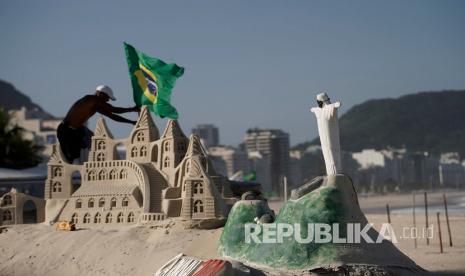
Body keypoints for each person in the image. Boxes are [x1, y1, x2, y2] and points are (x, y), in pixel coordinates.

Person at [57, 85, 139, 163]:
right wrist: (131, 109)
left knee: (96, 144)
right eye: (107, 98)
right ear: (100, 94)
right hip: (66, 131)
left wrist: (131, 122)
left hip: (77, 130)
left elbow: (113, 116)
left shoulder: (96, 106)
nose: (107, 100)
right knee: (73, 158)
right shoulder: (90, 99)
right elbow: (113, 109)